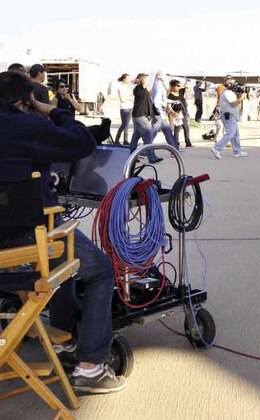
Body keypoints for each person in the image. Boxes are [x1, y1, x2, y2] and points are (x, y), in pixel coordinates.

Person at [0, 70, 127, 394]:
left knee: (64, 264)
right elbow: (82, 142)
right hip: (25, 235)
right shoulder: (26, 125)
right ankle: (91, 368)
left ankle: (64, 339)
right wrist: (51, 109)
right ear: (21, 101)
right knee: (99, 270)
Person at [128, 73, 163, 163]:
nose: (147, 81)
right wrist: (140, 80)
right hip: (141, 116)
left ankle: (130, 156)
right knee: (148, 136)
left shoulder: (143, 89)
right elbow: (141, 84)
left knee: (136, 136)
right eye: (145, 79)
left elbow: (149, 102)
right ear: (142, 80)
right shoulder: (139, 89)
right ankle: (152, 157)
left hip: (138, 115)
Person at [211, 78, 247, 159]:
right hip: (229, 116)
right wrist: (242, 97)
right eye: (234, 84)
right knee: (230, 134)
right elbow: (234, 103)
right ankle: (216, 148)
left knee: (235, 135)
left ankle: (237, 151)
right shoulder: (228, 93)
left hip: (232, 116)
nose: (236, 86)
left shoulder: (229, 92)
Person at [151, 72, 180, 151]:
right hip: (159, 112)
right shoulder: (159, 86)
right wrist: (158, 111)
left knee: (167, 131)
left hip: (160, 112)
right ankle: (143, 151)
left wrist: (173, 101)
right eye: (167, 75)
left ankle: (174, 149)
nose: (168, 77)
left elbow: (163, 99)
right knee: (153, 132)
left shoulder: (160, 85)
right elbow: (157, 100)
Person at [168, 80, 192, 147]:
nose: (179, 87)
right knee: (177, 130)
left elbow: (188, 89)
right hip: (177, 114)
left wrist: (186, 85)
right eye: (177, 86)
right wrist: (174, 113)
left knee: (186, 128)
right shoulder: (170, 95)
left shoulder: (181, 91)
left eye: (179, 86)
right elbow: (169, 106)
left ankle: (188, 143)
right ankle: (176, 144)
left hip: (183, 113)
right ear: (173, 86)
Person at [114, 74, 133, 145]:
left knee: (127, 124)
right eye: (128, 78)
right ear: (124, 79)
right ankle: (117, 139)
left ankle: (125, 140)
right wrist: (129, 96)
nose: (129, 80)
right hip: (124, 108)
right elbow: (122, 99)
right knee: (124, 124)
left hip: (130, 106)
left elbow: (131, 96)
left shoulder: (128, 86)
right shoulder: (120, 87)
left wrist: (129, 97)